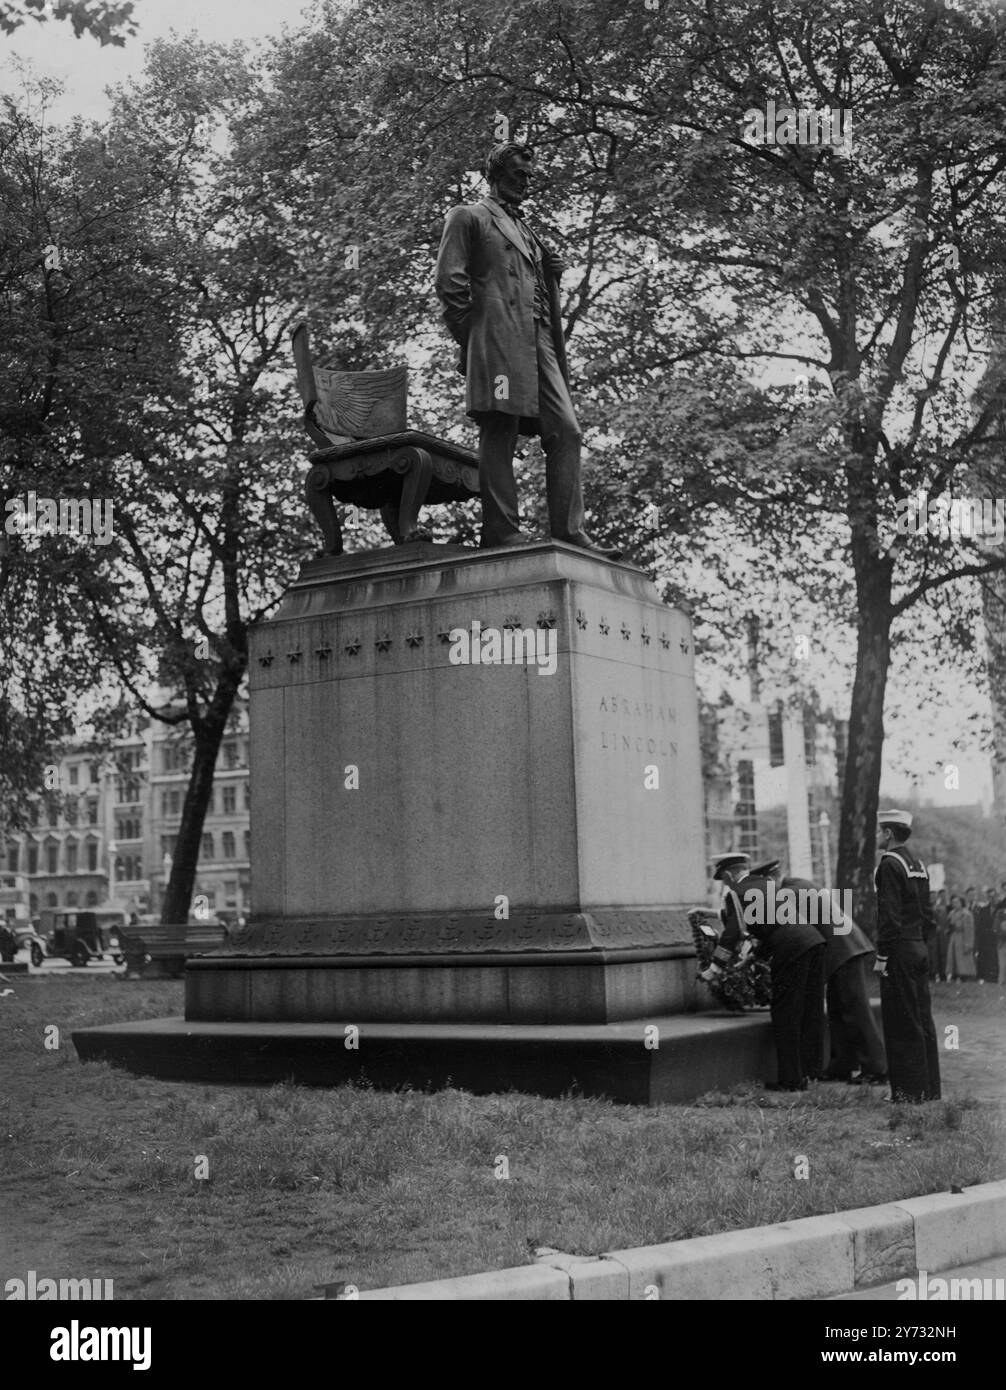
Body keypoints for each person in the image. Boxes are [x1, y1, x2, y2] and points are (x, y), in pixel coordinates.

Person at [435, 142, 619, 556]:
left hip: (539, 342)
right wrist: (477, 339)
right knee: (500, 427)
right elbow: (450, 283)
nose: (527, 182)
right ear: (497, 173)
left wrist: (551, 274)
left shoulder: (529, 230)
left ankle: (569, 532)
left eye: (530, 176)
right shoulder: (469, 216)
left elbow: (526, 282)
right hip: (497, 341)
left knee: (567, 430)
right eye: (520, 174)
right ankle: (501, 531)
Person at [760, 864, 887, 1084]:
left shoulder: (787, 893)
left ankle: (876, 1067)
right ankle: (842, 1064)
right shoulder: (798, 884)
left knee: (855, 1010)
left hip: (842, 949)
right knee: (838, 1010)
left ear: (770, 880)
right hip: (845, 946)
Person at [714, 858, 826, 1091]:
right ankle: (810, 1071)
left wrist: (715, 965)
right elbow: (775, 924)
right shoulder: (768, 885)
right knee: (808, 1008)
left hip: (791, 949)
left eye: (723, 878)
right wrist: (753, 956)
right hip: (813, 942)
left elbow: (733, 931)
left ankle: (791, 1080)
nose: (723, 883)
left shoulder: (735, 892)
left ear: (729, 875)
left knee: (785, 1011)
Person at [874, 810, 941, 1103]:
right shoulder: (918, 864)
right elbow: (928, 915)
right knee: (923, 1018)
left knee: (901, 1021)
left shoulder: (889, 864)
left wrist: (883, 955)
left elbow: (889, 917)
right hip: (918, 947)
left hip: (900, 949)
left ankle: (907, 1092)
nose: (878, 837)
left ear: (889, 833)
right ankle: (929, 1089)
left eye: (880, 831)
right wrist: (921, 943)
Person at [945, 893, 975, 981]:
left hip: (963, 937)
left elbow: (969, 930)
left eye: (957, 902)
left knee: (963, 957)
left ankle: (964, 975)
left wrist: (968, 943)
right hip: (954, 937)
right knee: (953, 956)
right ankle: (954, 974)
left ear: (961, 903)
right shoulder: (951, 913)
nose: (955, 904)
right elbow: (948, 926)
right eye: (953, 903)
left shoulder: (966, 914)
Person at [973, 886, 998, 983]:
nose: (992, 899)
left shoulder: (1001, 909)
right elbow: (980, 925)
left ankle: (996, 976)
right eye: (990, 897)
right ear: (987, 898)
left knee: (996, 957)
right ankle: (988, 977)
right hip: (986, 939)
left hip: (997, 938)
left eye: (994, 897)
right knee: (987, 957)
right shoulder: (983, 910)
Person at [930, 888, 950, 981]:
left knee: (942, 953)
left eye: (934, 897)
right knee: (932, 955)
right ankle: (932, 974)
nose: (932, 898)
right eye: (931, 897)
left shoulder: (942, 908)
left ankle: (943, 974)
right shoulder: (926, 909)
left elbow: (945, 921)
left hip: (941, 935)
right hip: (931, 935)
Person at [994, 882, 1006, 988]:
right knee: (1002, 961)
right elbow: (997, 923)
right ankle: (1001, 980)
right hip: (1003, 937)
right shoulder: (1001, 905)